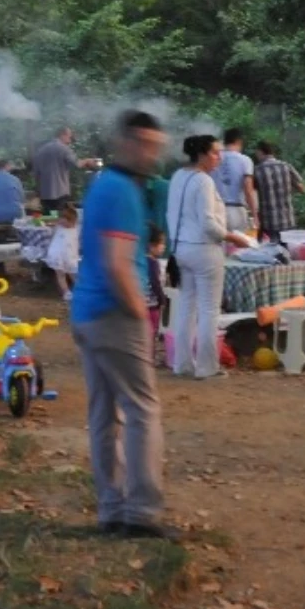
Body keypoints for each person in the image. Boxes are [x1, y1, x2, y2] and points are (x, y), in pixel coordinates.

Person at [70, 109, 175, 540]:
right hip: (115, 314)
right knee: (142, 411)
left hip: (87, 311)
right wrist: (140, 316)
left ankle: (111, 511)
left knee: (104, 415)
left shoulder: (103, 187)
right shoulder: (122, 193)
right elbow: (118, 264)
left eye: (156, 146)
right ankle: (142, 513)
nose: (152, 155)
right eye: (145, 145)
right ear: (126, 143)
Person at [168, 135, 251, 379]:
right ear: (202, 154)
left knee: (186, 308)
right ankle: (207, 367)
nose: (219, 157)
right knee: (208, 310)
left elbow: (171, 214)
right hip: (204, 249)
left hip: (181, 248)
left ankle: (182, 364)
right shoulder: (203, 181)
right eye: (215, 152)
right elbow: (208, 223)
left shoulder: (177, 176)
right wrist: (231, 237)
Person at [32, 127, 101, 212]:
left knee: (48, 221)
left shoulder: (41, 150)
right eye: (69, 136)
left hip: (44, 195)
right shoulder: (63, 148)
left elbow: (36, 173)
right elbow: (77, 164)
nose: (70, 140)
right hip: (60, 194)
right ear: (62, 135)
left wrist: (38, 191)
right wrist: (87, 160)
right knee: (60, 222)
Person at [253, 140, 305, 243]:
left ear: (260, 152)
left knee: (270, 255)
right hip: (288, 221)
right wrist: (287, 190)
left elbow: (252, 194)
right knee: (287, 254)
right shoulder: (286, 166)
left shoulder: (257, 170)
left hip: (269, 223)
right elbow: (302, 189)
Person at [214, 128, 257, 234]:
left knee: (219, 247)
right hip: (236, 210)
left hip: (215, 210)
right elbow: (248, 190)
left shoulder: (213, 159)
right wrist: (255, 215)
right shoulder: (245, 160)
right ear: (239, 141)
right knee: (238, 248)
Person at [46, 206, 81, 302]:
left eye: (68, 220)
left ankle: (80, 290)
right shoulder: (58, 227)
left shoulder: (77, 228)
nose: (64, 222)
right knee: (60, 274)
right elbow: (51, 234)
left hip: (70, 255)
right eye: (62, 219)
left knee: (73, 273)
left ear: (73, 221)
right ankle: (66, 292)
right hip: (58, 254)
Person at [146, 226, 168, 367]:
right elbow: (155, 283)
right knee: (151, 332)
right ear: (151, 245)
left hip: (137, 303)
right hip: (151, 304)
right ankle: (149, 358)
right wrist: (162, 298)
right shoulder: (153, 263)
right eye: (162, 243)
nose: (164, 247)